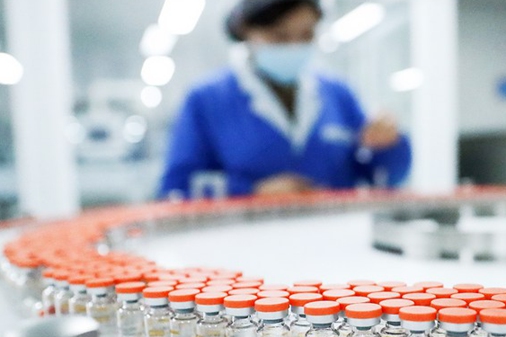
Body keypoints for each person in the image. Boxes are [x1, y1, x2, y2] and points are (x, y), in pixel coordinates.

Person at [159, 0, 411, 198]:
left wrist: (389, 146)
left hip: (334, 243)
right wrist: (251, 191)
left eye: (306, 35)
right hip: (242, 246)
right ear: (246, 32)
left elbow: (380, 176)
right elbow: (177, 186)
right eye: (279, 37)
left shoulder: (338, 94)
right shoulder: (206, 99)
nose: (294, 47)